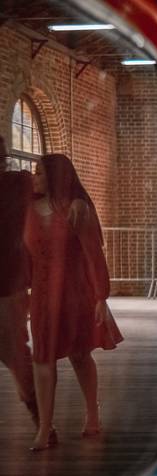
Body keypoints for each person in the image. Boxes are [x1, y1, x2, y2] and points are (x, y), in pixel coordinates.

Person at [26, 154, 123, 451]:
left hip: (74, 293)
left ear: (56, 177)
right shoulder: (28, 210)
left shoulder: (76, 208)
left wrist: (100, 296)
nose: (34, 178)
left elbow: (94, 255)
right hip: (42, 295)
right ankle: (44, 428)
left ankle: (92, 414)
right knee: (42, 356)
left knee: (79, 355)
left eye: (40, 173)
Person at [0, 136, 39, 426]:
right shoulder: (19, 184)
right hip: (11, 282)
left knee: (15, 350)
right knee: (15, 351)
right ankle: (39, 414)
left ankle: (39, 413)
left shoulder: (18, 185)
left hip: (9, 284)